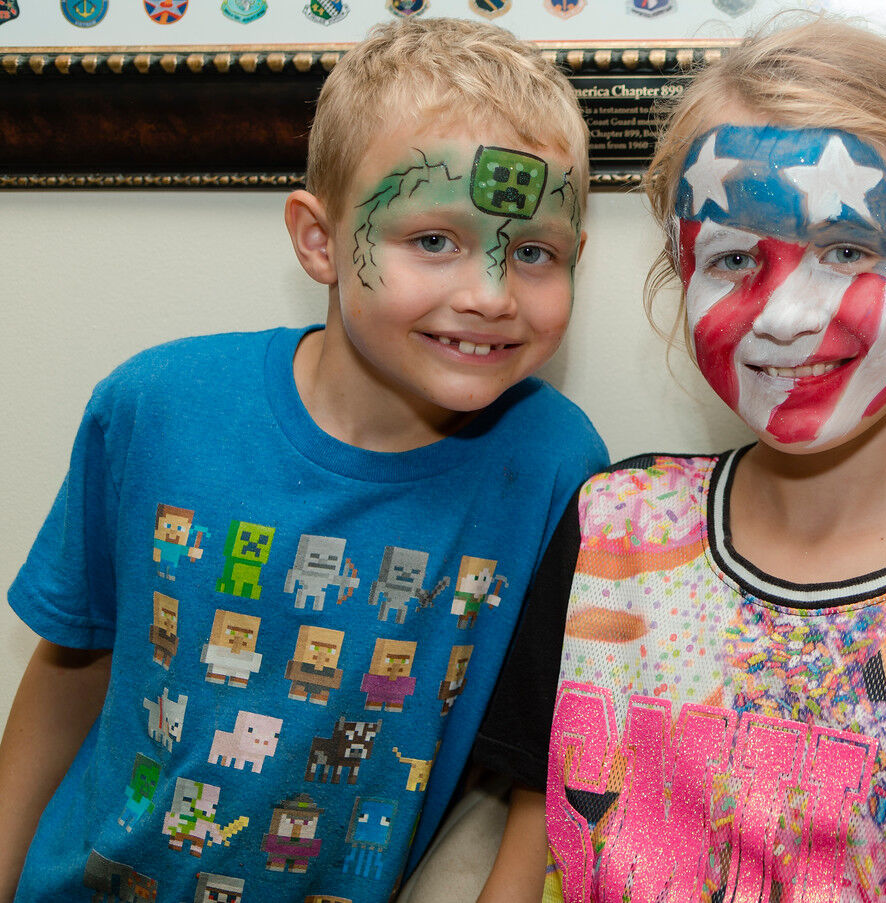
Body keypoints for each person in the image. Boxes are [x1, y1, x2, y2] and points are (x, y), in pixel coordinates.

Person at [472, 18, 886, 903]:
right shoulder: (611, 531)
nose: (785, 316)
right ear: (681, 268)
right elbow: (530, 859)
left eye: (847, 252)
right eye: (734, 258)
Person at [0, 18, 607, 902]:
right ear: (319, 240)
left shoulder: (559, 468)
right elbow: (70, 663)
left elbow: (537, 759)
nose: (489, 294)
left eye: (533, 253)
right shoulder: (156, 407)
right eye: (433, 241)